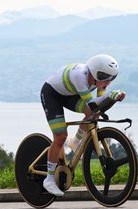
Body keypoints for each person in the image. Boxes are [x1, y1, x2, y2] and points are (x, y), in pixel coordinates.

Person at [40, 54, 126, 196]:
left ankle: (75, 142)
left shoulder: (98, 79)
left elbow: (98, 105)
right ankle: (48, 180)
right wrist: (110, 95)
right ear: (95, 72)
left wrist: (114, 98)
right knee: (61, 136)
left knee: (94, 114)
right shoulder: (80, 76)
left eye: (112, 78)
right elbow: (92, 103)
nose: (108, 82)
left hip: (70, 94)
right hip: (52, 94)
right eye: (105, 78)